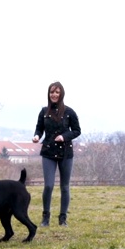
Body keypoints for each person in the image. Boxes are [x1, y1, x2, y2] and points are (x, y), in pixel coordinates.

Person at [32, 81, 81, 227]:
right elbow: (39, 129)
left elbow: (77, 131)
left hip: (66, 153)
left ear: (61, 94)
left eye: (57, 92)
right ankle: (45, 217)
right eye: (52, 92)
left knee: (65, 187)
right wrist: (36, 136)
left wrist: (64, 137)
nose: (54, 95)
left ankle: (63, 218)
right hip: (48, 152)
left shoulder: (69, 112)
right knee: (48, 186)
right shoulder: (44, 112)